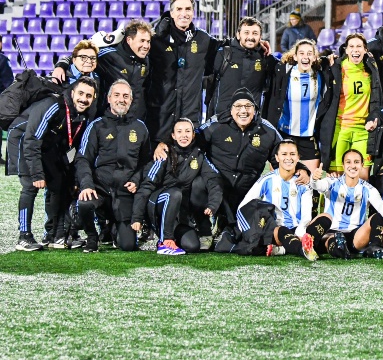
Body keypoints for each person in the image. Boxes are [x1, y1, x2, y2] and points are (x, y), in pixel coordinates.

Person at [7, 77, 97, 251]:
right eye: (80, 93)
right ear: (72, 93)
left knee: (59, 184)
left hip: (47, 146)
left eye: (88, 96)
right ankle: (24, 236)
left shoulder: (82, 114)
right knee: (30, 186)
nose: (84, 99)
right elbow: (32, 139)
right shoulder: (53, 105)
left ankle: (52, 234)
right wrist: (37, 174)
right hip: (23, 141)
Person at [192, 88, 285, 241]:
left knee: (244, 236)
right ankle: (204, 228)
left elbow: (284, 154)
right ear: (231, 109)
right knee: (198, 183)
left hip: (247, 193)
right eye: (238, 106)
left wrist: (301, 170)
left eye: (248, 106)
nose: (243, 111)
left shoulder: (267, 130)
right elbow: (191, 141)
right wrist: (165, 144)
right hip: (218, 188)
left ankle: (227, 224)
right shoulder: (216, 124)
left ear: (255, 110)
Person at [75, 80, 151, 253]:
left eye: (126, 96)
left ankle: (114, 227)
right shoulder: (96, 125)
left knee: (128, 246)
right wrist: (86, 185)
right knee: (85, 202)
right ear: (109, 98)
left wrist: (137, 180)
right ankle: (92, 237)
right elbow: (82, 159)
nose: (121, 100)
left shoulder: (140, 127)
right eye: (117, 95)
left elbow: (146, 161)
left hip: (125, 192)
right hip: (101, 189)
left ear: (131, 101)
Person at [132, 119, 222, 255]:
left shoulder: (198, 156)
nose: (183, 135)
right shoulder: (164, 153)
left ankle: (175, 234)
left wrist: (213, 204)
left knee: (192, 246)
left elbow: (213, 180)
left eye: (187, 131)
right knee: (175, 193)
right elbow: (146, 186)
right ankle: (165, 241)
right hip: (158, 205)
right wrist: (137, 217)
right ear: (173, 136)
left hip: (179, 212)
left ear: (193, 135)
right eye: (179, 132)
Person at [238, 139, 333, 260]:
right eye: (284, 154)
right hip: (276, 230)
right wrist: (247, 229)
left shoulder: (303, 182)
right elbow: (245, 205)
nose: (288, 158)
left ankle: (284, 249)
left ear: (298, 157)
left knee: (326, 217)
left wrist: (301, 230)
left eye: (292, 154)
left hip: (298, 229)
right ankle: (302, 249)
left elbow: (306, 215)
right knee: (282, 230)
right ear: (277, 158)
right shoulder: (267, 180)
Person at [148, 0, 221, 143]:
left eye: (188, 9)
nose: (184, 13)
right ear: (172, 13)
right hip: (161, 117)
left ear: (193, 12)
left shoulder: (203, 39)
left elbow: (227, 46)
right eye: (179, 9)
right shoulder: (156, 40)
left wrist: (256, 44)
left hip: (190, 117)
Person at [310, 149, 383, 259]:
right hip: (332, 232)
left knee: (379, 216)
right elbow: (317, 186)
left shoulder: (368, 188)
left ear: (362, 165)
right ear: (343, 165)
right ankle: (341, 251)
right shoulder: (332, 182)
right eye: (348, 162)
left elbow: (381, 206)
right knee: (331, 234)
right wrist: (314, 178)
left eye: (356, 162)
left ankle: (374, 247)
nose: (352, 166)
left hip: (355, 235)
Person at [263, 39, 330, 173]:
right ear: (295, 56)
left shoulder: (321, 74)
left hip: (309, 136)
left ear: (315, 57)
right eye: (302, 53)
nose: (305, 57)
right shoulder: (283, 72)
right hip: (284, 133)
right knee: (282, 180)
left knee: (309, 183)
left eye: (309, 53)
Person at [325, 33, 383, 179]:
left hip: (363, 130)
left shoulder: (371, 70)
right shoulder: (337, 68)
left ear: (365, 50)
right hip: (341, 128)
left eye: (359, 46)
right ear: (346, 49)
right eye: (351, 46)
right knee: (336, 178)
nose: (355, 50)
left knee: (363, 177)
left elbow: (377, 98)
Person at [207, 17, 268, 116]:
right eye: (246, 33)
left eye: (255, 33)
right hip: (223, 119)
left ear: (260, 37)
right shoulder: (223, 54)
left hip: (250, 121)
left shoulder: (264, 57)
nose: (250, 37)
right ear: (238, 35)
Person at [91, 20, 151, 120]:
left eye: (148, 41)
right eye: (142, 41)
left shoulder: (146, 60)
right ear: (129, 40)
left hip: (133, 122)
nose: (146, 46)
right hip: (108, 121)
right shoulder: (109, 55)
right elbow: (80, 57)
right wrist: (61, 65)